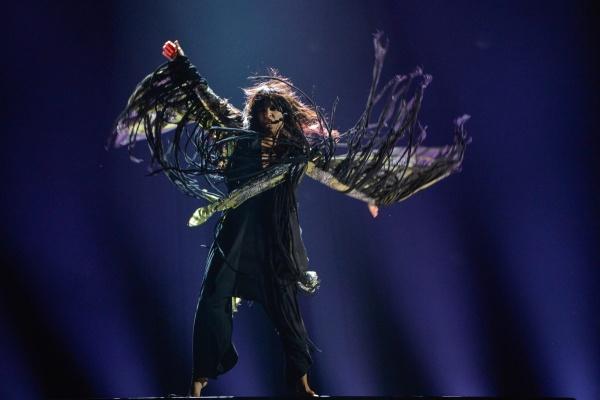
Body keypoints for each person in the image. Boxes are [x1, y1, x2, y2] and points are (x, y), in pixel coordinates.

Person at [111, 35, 469, 397]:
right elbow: (204, 95)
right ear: (254, 113)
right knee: (213, 299)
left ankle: (301, 384)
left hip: (277, 237)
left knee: (287, 311)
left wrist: (368, 195)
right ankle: (197, 386)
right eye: (263, 108)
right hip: (236, 234)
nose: (268, 114)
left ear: (285, 113)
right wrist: (181, 62)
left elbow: (336, 175)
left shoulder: (297, 152)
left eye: (275, 108)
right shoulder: (236, 129)